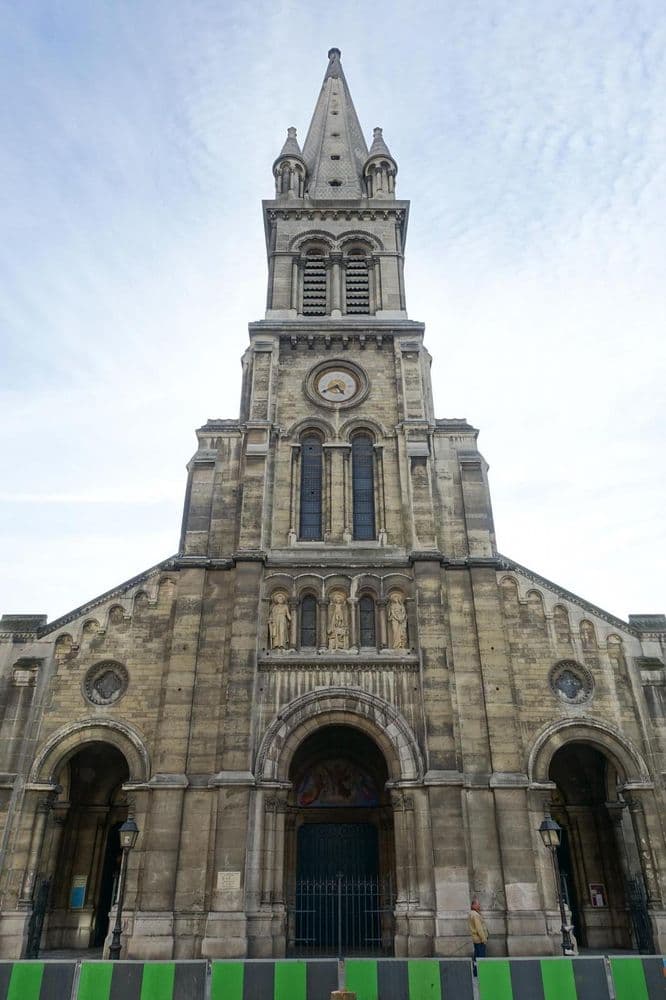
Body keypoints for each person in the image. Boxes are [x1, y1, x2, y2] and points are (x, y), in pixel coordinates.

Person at [469, 899, 488, 975]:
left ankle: (476, 971)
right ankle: (480, 972)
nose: (479, 906)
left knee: (477, 956)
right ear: (473, 905)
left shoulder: (472, 913)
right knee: (481, 957)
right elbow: (479, 928)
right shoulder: (475, 915)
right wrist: (484, 939)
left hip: (476, 939)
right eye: (478, 904)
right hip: (479, 939)